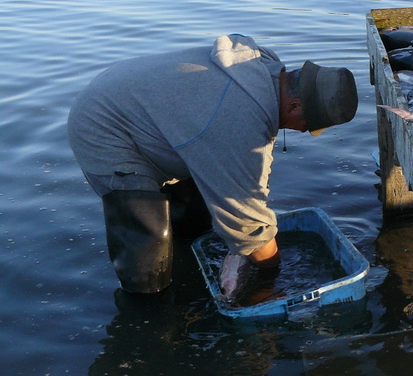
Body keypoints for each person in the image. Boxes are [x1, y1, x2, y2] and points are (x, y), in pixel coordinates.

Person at [67, 34, 358, 294]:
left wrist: (253, 221)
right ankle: (149, 314)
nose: (302, 131)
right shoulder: (234, 117)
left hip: (152, 107)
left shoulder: (264, 72)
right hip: (104, 127)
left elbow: (255, 164)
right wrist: (271, 271)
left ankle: (185, 258)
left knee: (195, 219)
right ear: (295, 106)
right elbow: (244, 218)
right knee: (147, 252)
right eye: (306, 125)